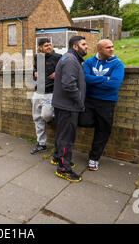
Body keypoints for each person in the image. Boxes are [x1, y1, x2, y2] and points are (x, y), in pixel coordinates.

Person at [81, 39, 124, 171]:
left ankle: (94, 158)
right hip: (89, 100)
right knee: (84, 121)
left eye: (112, 47)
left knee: (103, 130)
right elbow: (85, 79)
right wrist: (105, 79)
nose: (111, 49)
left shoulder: (117, 64)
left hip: (107, 102)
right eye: (108, 47)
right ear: (99, 50)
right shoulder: (88, 62)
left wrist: (94, 81)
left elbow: (114, 84)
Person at [51, 36, 88, 182]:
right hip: (68, 106)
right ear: (75, 46)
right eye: (83, 44)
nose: (86, 47)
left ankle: (57, 158)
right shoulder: (71, 60)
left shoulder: (69, 58)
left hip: (63, 105)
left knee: (61, 134)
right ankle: (64, 169)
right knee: (66, 138)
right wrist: (79, 101)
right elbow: (68, 84)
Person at [30, 38, 62, 155]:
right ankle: (41, 143)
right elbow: (34, 68)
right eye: (45, 45)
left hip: (50, 93)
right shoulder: (37, 57)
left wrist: (58, 73)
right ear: (40, 48)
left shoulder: (58, 57)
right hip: (38, 92)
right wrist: (34, 72)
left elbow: (65, 71)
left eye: (49, 45)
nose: (48, 47)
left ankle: (51, 119)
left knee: (46, 115)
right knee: (37, 118)